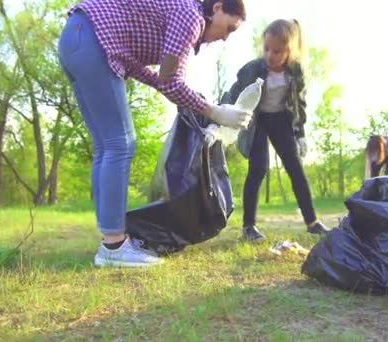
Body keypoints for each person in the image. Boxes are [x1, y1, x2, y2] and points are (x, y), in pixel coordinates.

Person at [57, 0, 251, 267]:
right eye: (229, 28)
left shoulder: (179, 11)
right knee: (120, 143)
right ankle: (114, 246)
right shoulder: (192, 16)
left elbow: (144, 69)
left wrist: (185, 97)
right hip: (92, 39)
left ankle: (111, 239)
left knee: (105, 146)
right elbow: (171, 82)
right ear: (217, 8)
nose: (225, 38)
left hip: (75, 39)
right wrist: (214, 112)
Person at [223, 19, 330, 241]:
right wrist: (222, 116)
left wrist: (300, 134)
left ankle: (312, 222)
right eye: (267, 49)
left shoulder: (295, 72)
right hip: (258, 120)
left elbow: (299, 104)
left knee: (296, 169)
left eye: (277, 51)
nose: (270, 55)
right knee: (258, 168)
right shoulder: (253, 69)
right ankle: (248, 227)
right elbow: (235, 94)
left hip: (282, 120)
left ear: (289, 51)